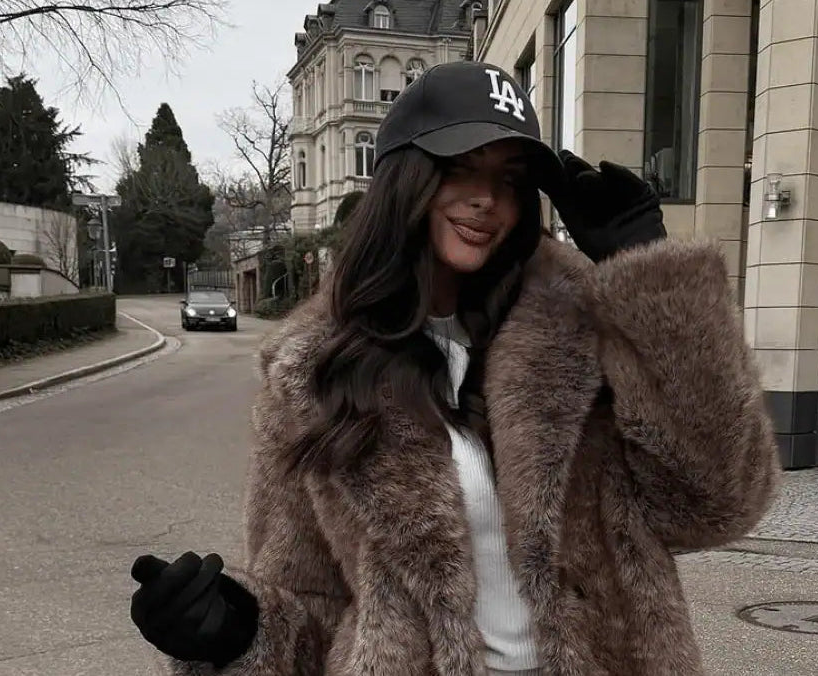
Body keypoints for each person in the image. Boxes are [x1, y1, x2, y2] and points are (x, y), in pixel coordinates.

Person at [127, 61, 780, 675]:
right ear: (404, 179)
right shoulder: (314, 375)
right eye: (461, 169)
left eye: (510, 179)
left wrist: (651, 279)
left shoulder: (582, 329)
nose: (487, 199)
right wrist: (233, 630)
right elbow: (307, 602)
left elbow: (717, 502)